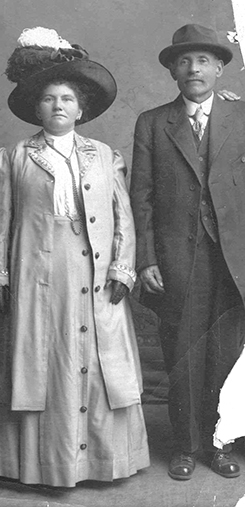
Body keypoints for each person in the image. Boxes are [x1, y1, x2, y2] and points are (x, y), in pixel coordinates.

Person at [0, 27, 149, 487]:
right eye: (49, 99)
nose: (59, 107)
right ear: (36, 108)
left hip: (94, 275)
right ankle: (39, 463)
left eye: (67, 99)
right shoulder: (13, 157)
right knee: (43, 361)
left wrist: (123, 268)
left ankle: (99, 462)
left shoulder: (107, 157)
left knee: (97, 359)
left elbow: (123, 216)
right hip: (36, 275)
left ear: (81, 107)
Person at [130, 23, 245, 481]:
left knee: (224, 352)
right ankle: (184, 445)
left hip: (233, 260)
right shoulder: (154, 122)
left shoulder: (241, 117)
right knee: (182, 352)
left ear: (219, 67)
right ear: (172, 72)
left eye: (203, 60)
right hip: (178, 258)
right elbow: (141, 196)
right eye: (184, 60)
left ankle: (218, 443)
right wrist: (146, 259)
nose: (193, 68)